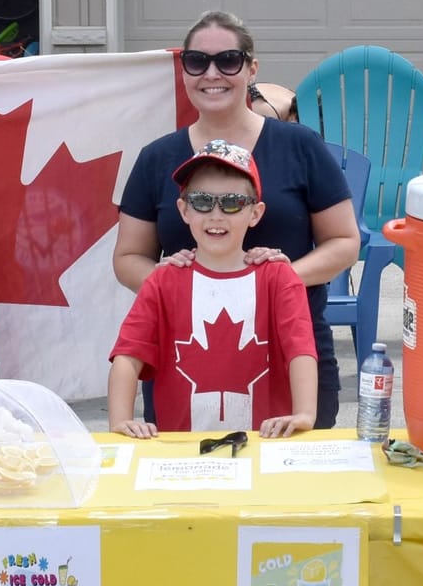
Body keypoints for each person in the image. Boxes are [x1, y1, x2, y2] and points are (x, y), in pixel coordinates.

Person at [114, 11, 361, 430]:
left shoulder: (300, 146)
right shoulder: (156, 158)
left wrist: (269, 284)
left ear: (251, 69)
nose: (213, 73)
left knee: (294, 490)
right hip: (186, 364)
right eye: (197, 61)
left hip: (289, 357)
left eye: (228, 60)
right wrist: (182, 285)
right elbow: (128, 257)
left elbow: (344, 242)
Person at [107, 141, 317, 439]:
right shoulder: (163, 280)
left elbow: (301, 350)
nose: (216, 215)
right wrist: (120, 421)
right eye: (202, 201)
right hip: (182, 449)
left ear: (255, 213)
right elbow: (128, 355)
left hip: (264, 445)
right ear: (184, 210)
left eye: (232, 203)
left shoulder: (278, 277)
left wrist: (305, 414)